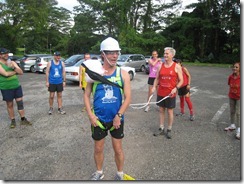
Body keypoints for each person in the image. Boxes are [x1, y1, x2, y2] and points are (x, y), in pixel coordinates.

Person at [83, 37, 131, 180]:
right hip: (98, 119)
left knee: (118, 149)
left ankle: (120, 174)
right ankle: (99, 172)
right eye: (111, 53)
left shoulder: (122, 73)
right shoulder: (93, 72)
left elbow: (128, 97)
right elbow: (86, 96)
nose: (115, 56)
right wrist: (90, 115)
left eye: (116, 52)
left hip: (117, 118)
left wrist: (119, 115)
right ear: (103, 54)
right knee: (98, 148)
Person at [152, 47, 183, 139]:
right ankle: (161, 128)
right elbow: (157, 78)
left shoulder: (177, 66)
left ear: (172, 55)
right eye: (164, 53)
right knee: (161, 110)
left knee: (170, 111)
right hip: (161, 92)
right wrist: (154, 87)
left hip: (170, 93)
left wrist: (176, 88)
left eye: (167, 54)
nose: (165, 55)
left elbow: (181, 80)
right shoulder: (160, 65)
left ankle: (169, 129)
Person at [0, 48, 32, 128]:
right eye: (4, 53)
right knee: (10, 104)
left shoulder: (12, 62)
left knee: (20, 103)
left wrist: (14, 68)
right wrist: (15, 72)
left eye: (7, 53)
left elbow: (21, 72)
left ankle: (23, 119)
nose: (6, 55)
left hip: (16, 85)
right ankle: (13, 120)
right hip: (6, 87)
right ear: (0, 55)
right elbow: (6, 74)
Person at [224, 62, 240, 140]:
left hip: (239, 98)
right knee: (232, 111)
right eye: (234, 67)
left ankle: (239, 130)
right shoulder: (230, 77)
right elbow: (229, 84)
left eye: (236, 67)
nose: (234, 68)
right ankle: (232, 125)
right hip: (232, 96)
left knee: (238, 113)